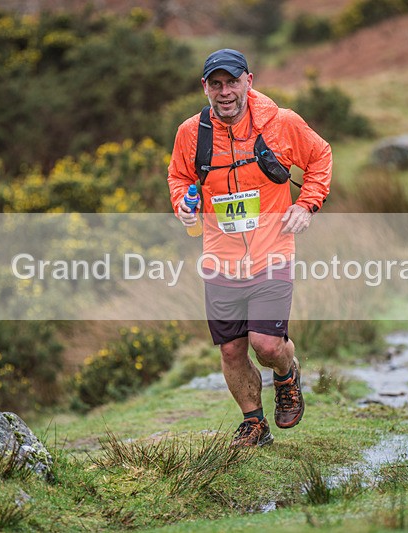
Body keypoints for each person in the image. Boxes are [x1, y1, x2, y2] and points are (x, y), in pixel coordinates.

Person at [167, 49, 332, 447]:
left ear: (249, 81)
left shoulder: (281, 123)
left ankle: (286, 374)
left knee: (266, 345)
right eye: (216, 84)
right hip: (220, 258)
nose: (225, 92)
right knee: (231, 351)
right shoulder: (191, 133)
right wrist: (183, 205)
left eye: (232, 82)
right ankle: (254, 424)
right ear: (205, 87)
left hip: (272, 252)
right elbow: (179, 177)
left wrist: (306, 204)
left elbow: (320, 156)